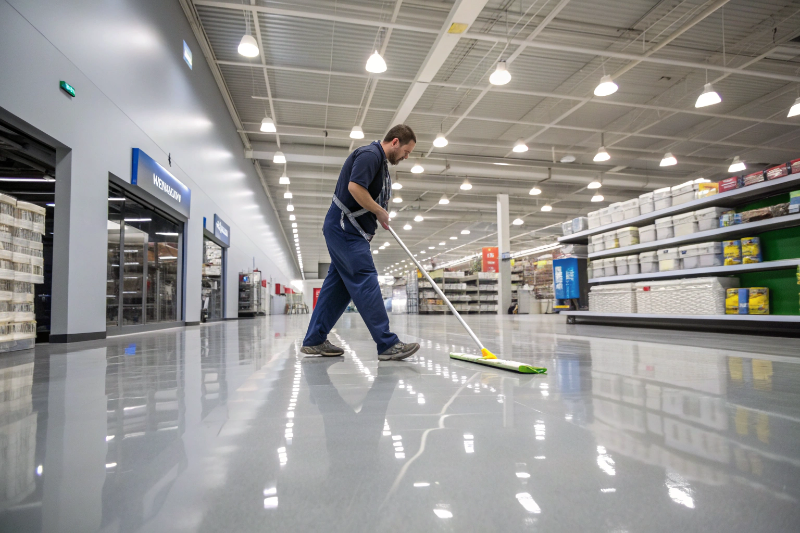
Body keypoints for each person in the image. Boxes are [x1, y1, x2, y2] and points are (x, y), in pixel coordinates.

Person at [301, 124, 420, 361]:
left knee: (339, 288)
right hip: (346, 228)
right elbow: (354, 187)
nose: (407, 157)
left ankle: (314, 340)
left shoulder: (380, 163)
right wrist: (379, 211)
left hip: (349, 230)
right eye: (407, 151)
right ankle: (387, 344)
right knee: (365, 277)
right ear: (395, 142)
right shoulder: (370, 155)